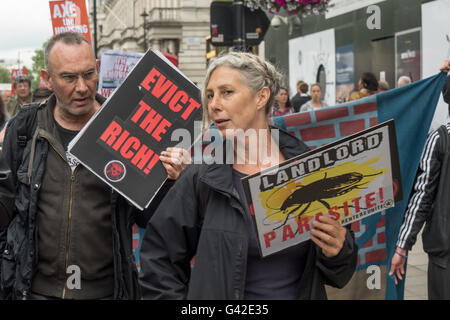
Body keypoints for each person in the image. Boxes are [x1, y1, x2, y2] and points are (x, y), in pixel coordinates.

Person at [138, 52, 357, 300]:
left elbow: (340, 274)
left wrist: (339, 250)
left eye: (226, 92)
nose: (214, 104)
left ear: (261, 97)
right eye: (210, 95)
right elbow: (158, 263)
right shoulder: (201, 180)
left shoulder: (312, 171)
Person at [0, 32, 188, 300]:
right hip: (34, 290)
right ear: (47, 79)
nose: (82, 87)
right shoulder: (25, 128)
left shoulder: (128, 126)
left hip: (107, 292)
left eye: (89, 74)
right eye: (68, 77)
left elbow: (150, 219)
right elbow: (5, 207)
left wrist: (171, 180)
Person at [389, 59, 450, 299]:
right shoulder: (440, 140)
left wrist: (402, 246)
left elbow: (421, 197)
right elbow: (421, 197)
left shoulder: (440, 139)